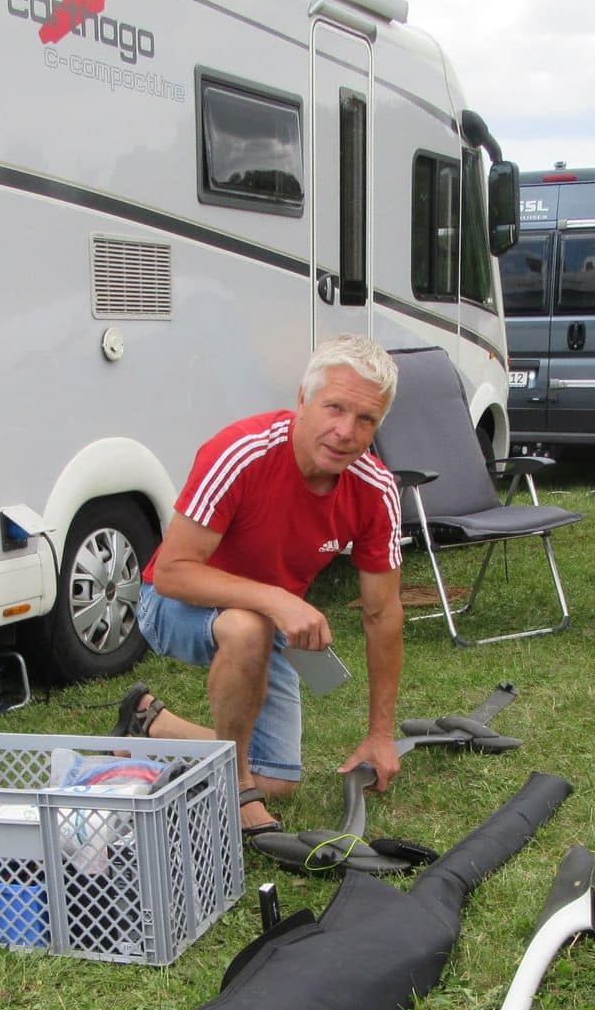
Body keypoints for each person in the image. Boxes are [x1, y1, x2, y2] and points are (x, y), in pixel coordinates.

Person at [110, 334, 405, 840]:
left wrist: (381, 734)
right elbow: (173, 571)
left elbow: (383, 614)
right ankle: (239, 787)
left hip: (267, 623)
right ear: (303, 399)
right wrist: (276, 599)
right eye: (334, 408)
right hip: (172, 603)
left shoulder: (375, 489)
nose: (345, 432)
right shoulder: (241, 452)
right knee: (248, 627)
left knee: (281, 780)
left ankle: (152, 723)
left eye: (365, 419)